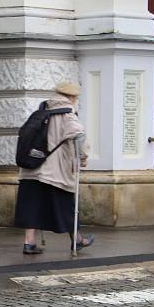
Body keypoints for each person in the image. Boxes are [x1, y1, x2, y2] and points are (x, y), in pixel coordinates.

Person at [15, 81, 94, 254]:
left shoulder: (41, 110)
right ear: (72, 97)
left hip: (30, 169)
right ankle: (78, 240)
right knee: (66, 206)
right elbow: (79, 136)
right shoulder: (67, 114)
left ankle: (29, 243)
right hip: (54, 171)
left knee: (32, 206)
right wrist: (83, 156)